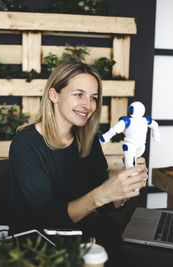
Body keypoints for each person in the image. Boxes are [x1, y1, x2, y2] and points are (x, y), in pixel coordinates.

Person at [9, 62, 148, 234]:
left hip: (84, 238)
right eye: (78, 94)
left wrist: (125, 187)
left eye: (93, 97)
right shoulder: (25, 144)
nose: (88, 105)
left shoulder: (88, 139)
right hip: (39, 247)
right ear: (54, 95)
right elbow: (47, 217)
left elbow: (105, 206)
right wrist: (102, 194)